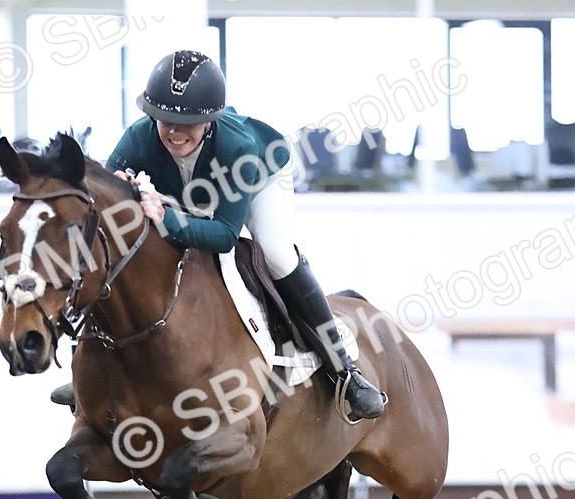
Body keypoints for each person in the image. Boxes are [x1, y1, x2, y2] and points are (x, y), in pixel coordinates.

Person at [101, 48, 386, 422]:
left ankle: (344, 369)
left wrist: (167, 218)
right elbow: (108, 189)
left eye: (185, 121)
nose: (172, 130)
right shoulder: (138, 138)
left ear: (209, 120)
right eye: (163, 119)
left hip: (258, 177)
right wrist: (117, 190)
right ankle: (97, 364)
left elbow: (222, 236)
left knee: (276, 254)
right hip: (193, 190)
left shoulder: (239, 148)